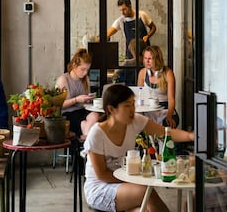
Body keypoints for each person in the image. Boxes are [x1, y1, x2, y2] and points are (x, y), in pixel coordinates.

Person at [83, 84, 195, 212]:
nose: (132, 110)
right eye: (127, 105)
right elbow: (102, 175)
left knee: (147, 208)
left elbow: (165, 132)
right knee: (145, 192)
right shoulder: (97, 133)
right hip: (100, 189)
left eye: (133, 104)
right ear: (111, 109)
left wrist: (191, 136)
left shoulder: (135, 121)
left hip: (125, 185)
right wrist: (133, 179)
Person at [56, 48, 99, 138]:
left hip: (82, 110)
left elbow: (85, 103)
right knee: (85, 125)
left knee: (95, 116)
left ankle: (84, 141)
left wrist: (88, 98)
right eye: (83, 69)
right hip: (67, 114)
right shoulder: (64, 80)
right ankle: (86, 144)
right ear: (74, 66)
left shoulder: (85, 79)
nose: (85, 73)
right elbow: (60, 105)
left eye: (87, 70)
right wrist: (76, 99)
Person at [137, 45, 179, 128]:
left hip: (164, 109)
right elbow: (139, 95)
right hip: (148, 110)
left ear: (157, 59)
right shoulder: (142, 73)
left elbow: (171, 99)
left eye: (150, 58)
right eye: (145, 58)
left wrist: (169, 115)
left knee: (167, 125)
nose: (147, 61)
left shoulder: (168, 73)